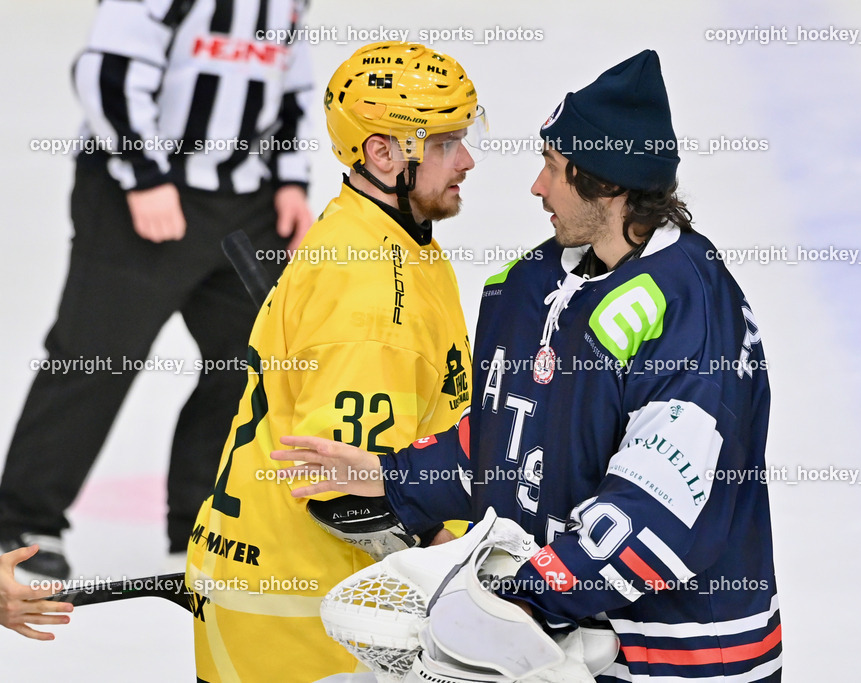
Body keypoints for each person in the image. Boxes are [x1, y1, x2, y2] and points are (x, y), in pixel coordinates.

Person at [275, 50, 783, 682]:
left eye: (554, 167)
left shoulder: (690, 312)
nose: (536, 187)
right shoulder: (534, 285)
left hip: (676, 657)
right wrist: (393, 476)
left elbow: (660, 509)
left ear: (607, 181)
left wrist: (518, 595)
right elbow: (510, 437)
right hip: (547, 643)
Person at [185, 41, 483, 682]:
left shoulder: (380, 234)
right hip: (313, 618)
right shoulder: (372, 293)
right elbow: (349, 495)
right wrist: (471, 574)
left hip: (304, 592)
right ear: (381, 152)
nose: (466, 159)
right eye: (443, 143)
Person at [0, 0, 315, 580]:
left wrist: (291, 178)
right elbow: (106, 72)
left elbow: (289, 81)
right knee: (96, 355)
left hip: (246, 199)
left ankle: (204, 516)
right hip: (138, 191)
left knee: (254, 358)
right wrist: (146, 176)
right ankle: (21, 518)